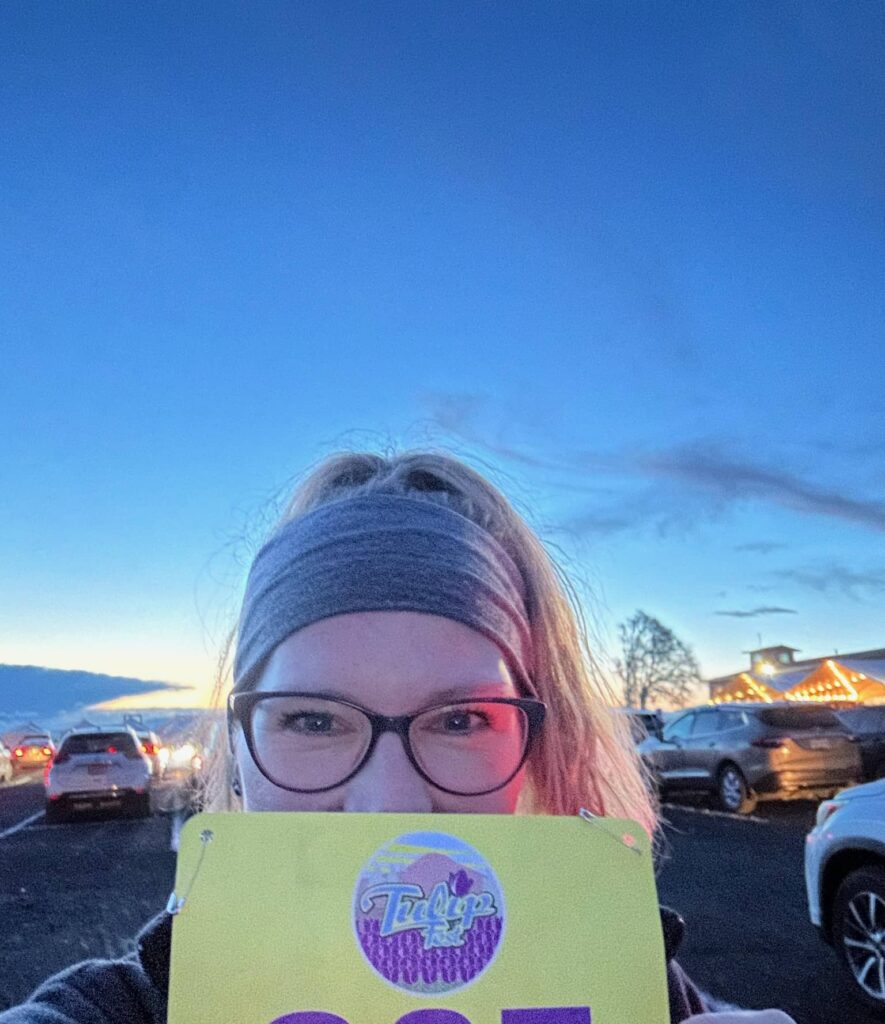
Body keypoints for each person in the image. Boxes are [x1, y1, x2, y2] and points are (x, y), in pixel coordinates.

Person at [0, 450, 795, 1024]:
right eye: (312, 720)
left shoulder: (640, 993)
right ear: (237, 752)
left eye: (459, 720)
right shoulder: (115, 1011)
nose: (389, 804)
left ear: (536, 745)